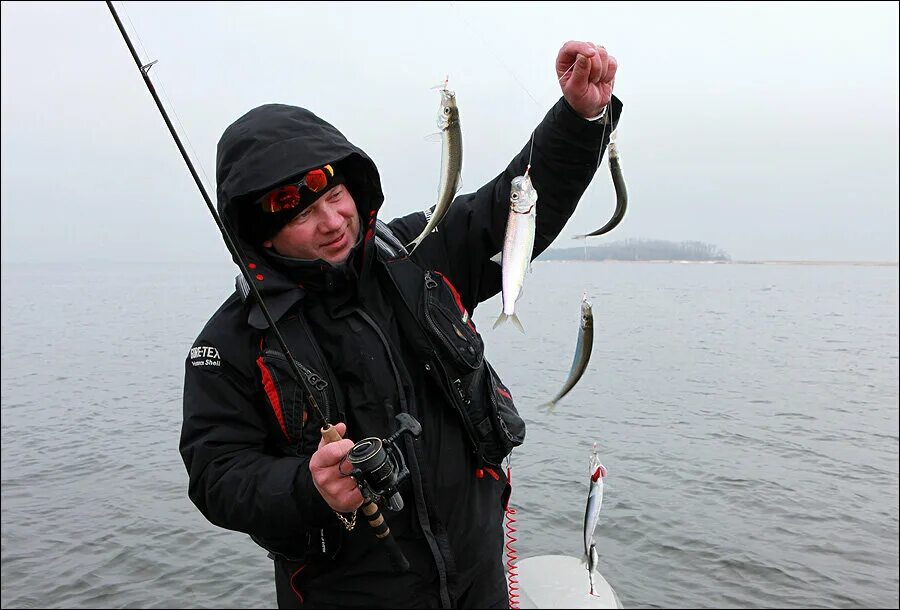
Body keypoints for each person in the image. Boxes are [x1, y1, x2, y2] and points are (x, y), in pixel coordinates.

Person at [179, 40, 622, 609]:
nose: (332, 221)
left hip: (477, 578)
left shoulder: (418, 253)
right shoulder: (230, 343)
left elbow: (520, 203)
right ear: (261, 235)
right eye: (303, 214)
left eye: (336, 196)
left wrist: (583, 117)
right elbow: (217, 473)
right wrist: (306, 487)